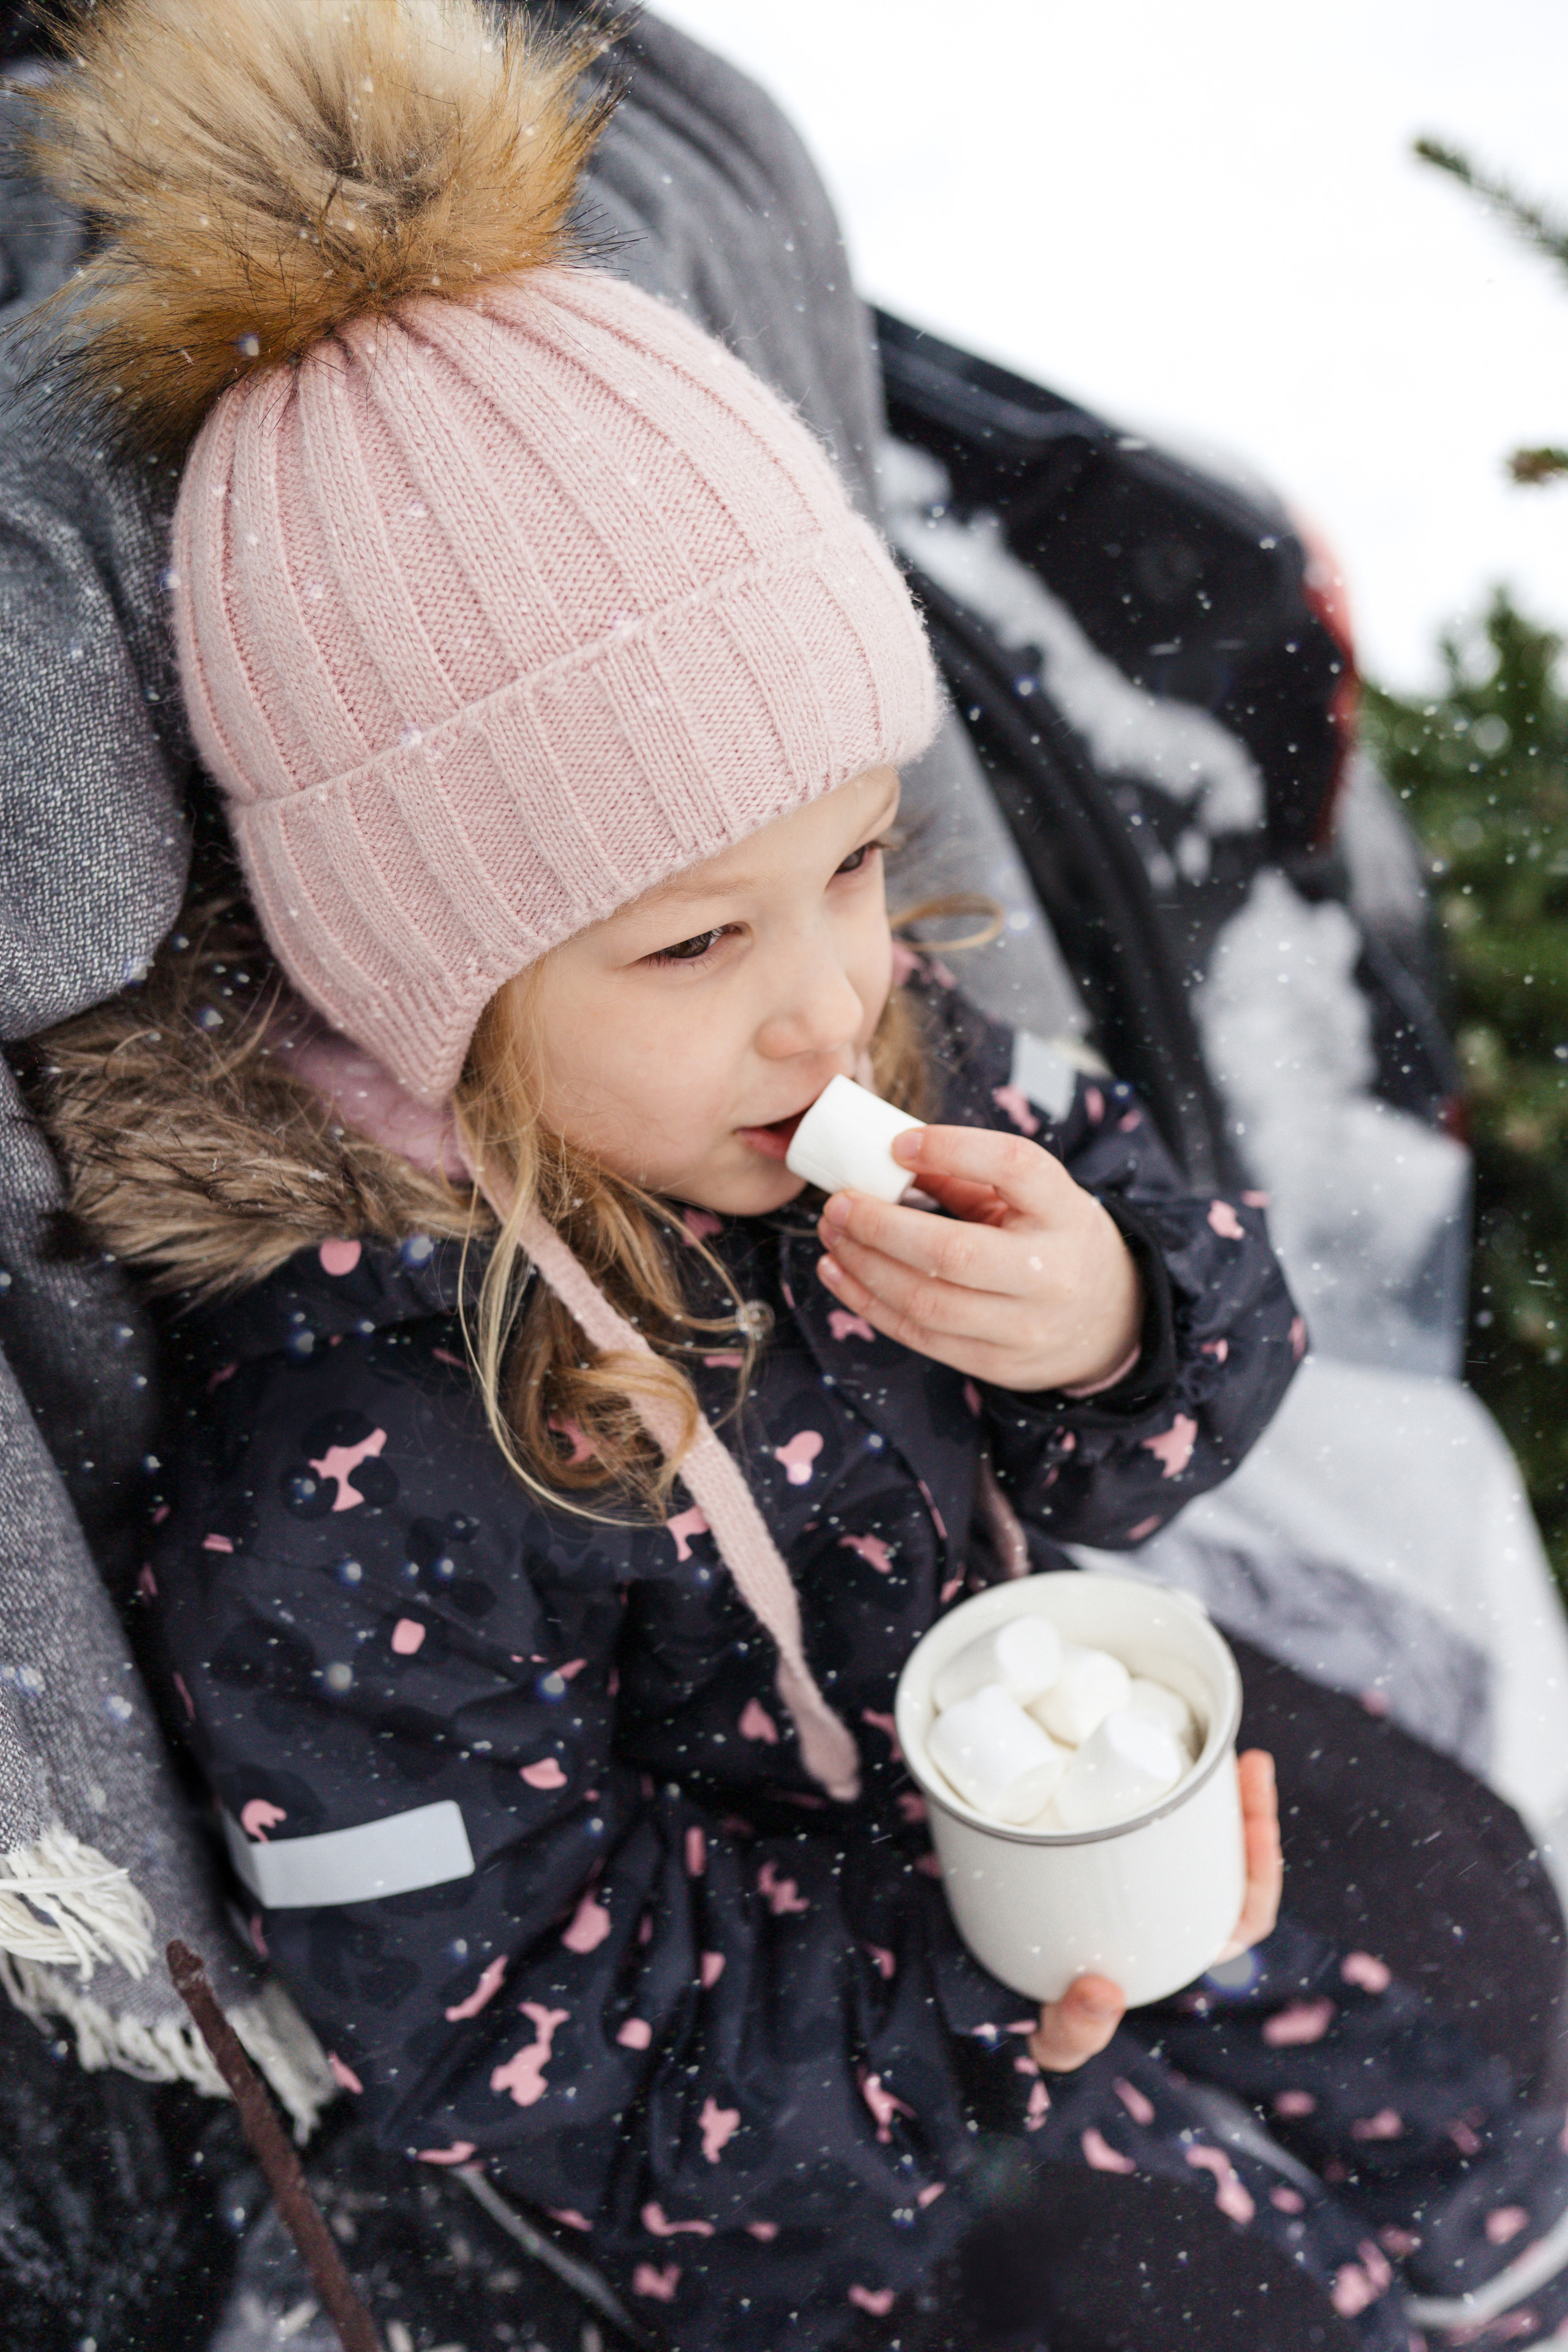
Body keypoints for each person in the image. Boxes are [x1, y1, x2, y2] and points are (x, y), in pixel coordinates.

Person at [21, 4, 1568, 2348]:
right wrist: (951, 1991)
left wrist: (1115, 1316)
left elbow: (1198, 1353)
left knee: (1480, 1976)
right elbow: (479, 2004)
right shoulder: (352, 1436)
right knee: (1195, 2300)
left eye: (855, 864)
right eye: (699, 937)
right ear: (428, 958)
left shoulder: (865, 1059)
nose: (831, 999)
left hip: (1016, 1755)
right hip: (750, 2093)